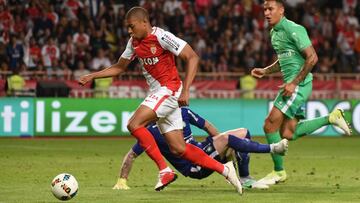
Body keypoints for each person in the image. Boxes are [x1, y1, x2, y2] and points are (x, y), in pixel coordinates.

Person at [79, 7, 242, 193]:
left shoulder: (162, 37)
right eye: (127, 28)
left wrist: (185, 91)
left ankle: (164, 170)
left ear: (144, 22)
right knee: (179, 149)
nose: (129, 31)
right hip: (161, 93)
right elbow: (119, 67)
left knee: (134, 124)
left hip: (169, 90)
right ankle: (224, 169)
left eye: (132, 27)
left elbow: (192, 57)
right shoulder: (133, 43)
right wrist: (92, 76)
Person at [251, 0, 352, 185]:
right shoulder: (274, 33)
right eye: (264, 9)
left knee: (269, 125)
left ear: (281, 10)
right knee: (288, 133)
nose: (266, 13)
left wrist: (294, 83)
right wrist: (265, 71)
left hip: (298, 84)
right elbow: (284, 61)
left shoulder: (293, 29)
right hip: (292, 85)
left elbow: (312, 57)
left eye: (270, 9)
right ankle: (331, 118)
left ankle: (278, 171)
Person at [112, 107, 289, 190]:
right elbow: (132, 155)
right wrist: (122, 181)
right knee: (229, 139)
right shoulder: (151, 132)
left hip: (203, 149)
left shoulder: (183, 112)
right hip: (194, 166)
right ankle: (273, 149)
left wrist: (222, 147)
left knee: (243, 132)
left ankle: (244, 178)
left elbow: (209, 127)